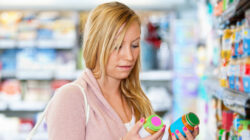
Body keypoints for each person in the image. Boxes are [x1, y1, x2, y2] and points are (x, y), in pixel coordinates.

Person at [45, 2, 199, 140]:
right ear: (96, 45)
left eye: (134, 45)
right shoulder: (71, 98)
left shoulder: (137, 99)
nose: (129, 56)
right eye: (117, 46)